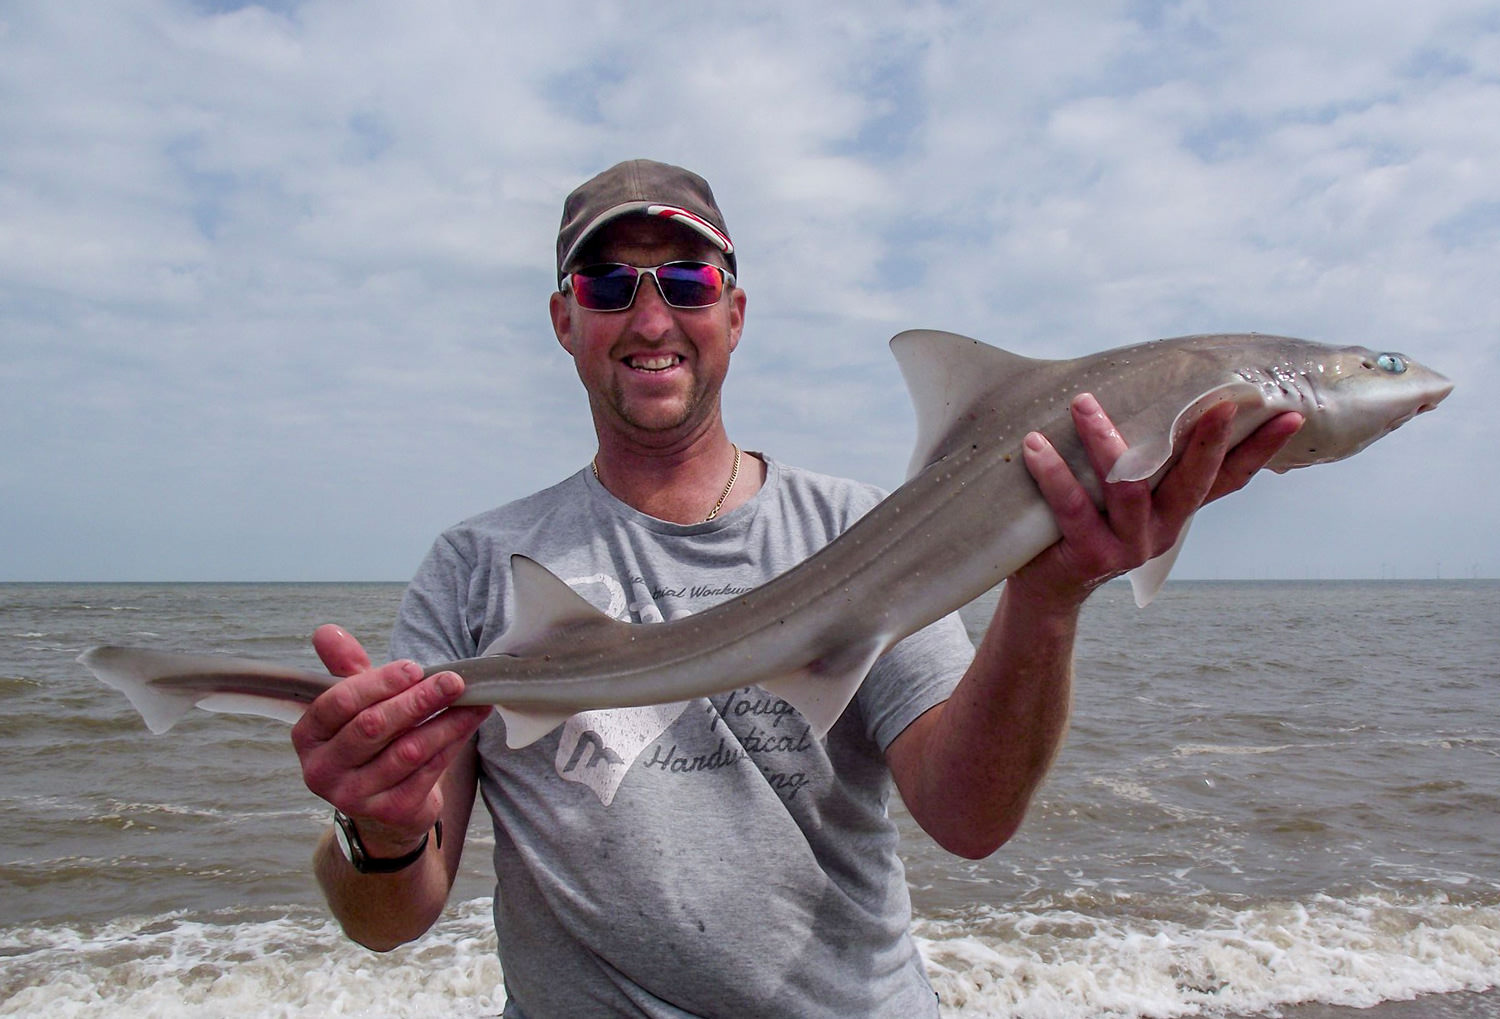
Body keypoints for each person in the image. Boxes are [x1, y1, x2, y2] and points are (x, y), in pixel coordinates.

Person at [292, 159, 1303, 1017]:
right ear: (565, 320)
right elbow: (390, 919)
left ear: (734, 312)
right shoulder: (478, 564)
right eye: (608, 286)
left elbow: (969, 816)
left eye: (686, 280)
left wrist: (1048, 599)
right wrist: (374, 833)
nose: (652, 315)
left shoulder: (865, 531)